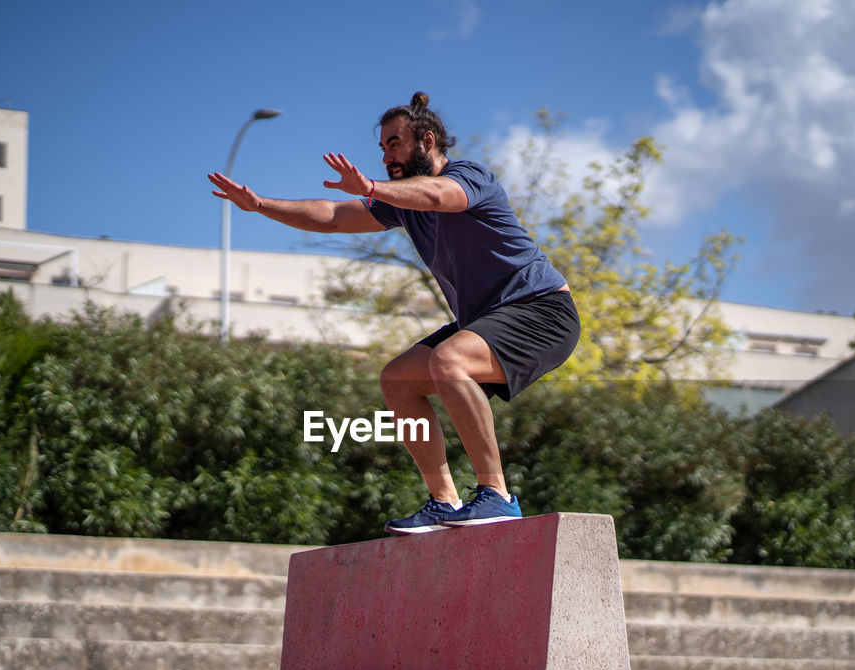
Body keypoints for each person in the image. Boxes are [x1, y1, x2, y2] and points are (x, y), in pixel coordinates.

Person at [208, 92, 578, 535]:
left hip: (541, 310)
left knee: (449, 360)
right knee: (398, 380)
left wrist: (369, 188)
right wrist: (261, 205)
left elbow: (441, 196)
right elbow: (330, 216)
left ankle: (496, 496)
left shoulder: (468, 176)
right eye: (382, 148)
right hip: (488, 320)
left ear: (426, 141)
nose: (386, 156)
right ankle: (443, 501)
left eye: (394, 144)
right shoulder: (399, 202)